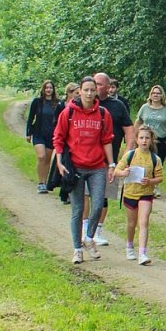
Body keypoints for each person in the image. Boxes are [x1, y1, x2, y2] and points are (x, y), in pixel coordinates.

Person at [52, 76, 116, 264]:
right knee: (78, 210)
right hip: (76, 167)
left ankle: (89, 238)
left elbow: (107, 140)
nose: (89, 93)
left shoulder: (103, 114)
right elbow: (58, 138)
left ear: (97, 91)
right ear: (79, 91)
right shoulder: (69, 112)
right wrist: (59, 162)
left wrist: (111, 164)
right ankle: (77, 249)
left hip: (97, 167)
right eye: (86, 90)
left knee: (98, 205)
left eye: (92, 90)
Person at [85, 73, 134, 246]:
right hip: (86, 158)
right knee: (85, 195)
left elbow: (129, 130)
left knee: (103, 197)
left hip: (109, 159)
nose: (95, 88)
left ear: (107, 87)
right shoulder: (85, 103)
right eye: (94, 84)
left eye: (99, 84)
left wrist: (127, 154)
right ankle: (85, 231)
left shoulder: (117, 106)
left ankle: (96, 232)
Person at [114, 124, 164, 265]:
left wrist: (150, 181)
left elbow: (160, 177)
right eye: (141, 138)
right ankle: (129, 246)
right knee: (131, 223)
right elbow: (117, 171)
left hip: (146, 194)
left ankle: (142, 253)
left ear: (151, 140)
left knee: (143, 222)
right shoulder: (130, 155)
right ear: (136, 139)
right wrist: (124, 173)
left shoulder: (155, 159)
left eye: (147, 138)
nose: (144, 141)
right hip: (130, 193)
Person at [23, 80, 64, 193]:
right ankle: (40, 182)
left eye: (50, 88)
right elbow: (31, 118)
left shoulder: (58, 104)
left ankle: (44, 183)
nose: (48, 90)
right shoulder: (37, 102)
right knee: (41, 156)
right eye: (46, 88)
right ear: (43, 89)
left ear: (53, 89)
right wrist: (28, 133)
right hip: (38, 133)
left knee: (47, 160)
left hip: (51, 134)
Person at [138, 85, 166, 168]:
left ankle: (155, 176)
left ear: (162, 95)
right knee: (145, 162)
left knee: (157, 164)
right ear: (150, 95)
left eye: (158, 93)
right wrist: (135, 136)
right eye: (153, 93)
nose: (155, 95)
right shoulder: (144, 107)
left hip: (161, 140)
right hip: (147, 139)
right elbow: (138, 121)